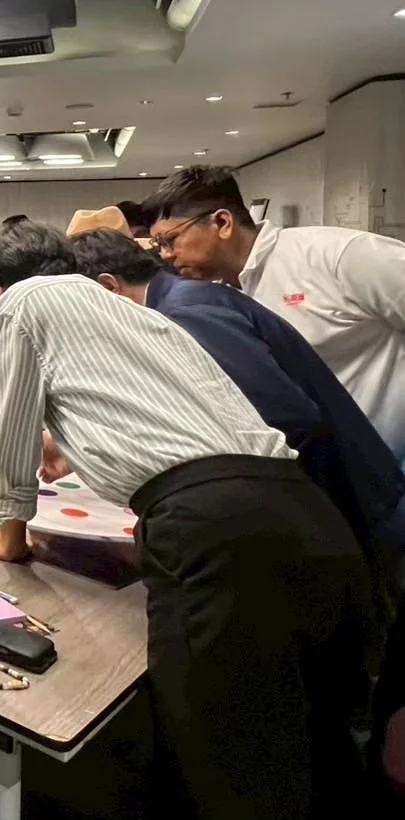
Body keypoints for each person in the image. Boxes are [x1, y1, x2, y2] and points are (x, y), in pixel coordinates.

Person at [0, 221, 367, 820]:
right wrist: (72, 441)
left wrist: (12, 539)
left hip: (214, 534)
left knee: (227, 764)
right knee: (320, 746)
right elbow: (151, 415)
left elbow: (10, 432)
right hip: (308, 514)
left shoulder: (22, 302)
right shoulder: (139, 313)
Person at [72, 226, 405, 601]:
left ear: (107, 287)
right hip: (339, 507)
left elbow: (284, 421)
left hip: (349, 513)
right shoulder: (186, 301)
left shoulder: (185, 314)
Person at [145, 166, 405, 464]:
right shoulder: (212, 299)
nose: (165, 254)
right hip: (324, 475)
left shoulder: (337, 256)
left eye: (169, 240)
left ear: (222, 222)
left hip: (391, 465)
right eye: (158, 246)